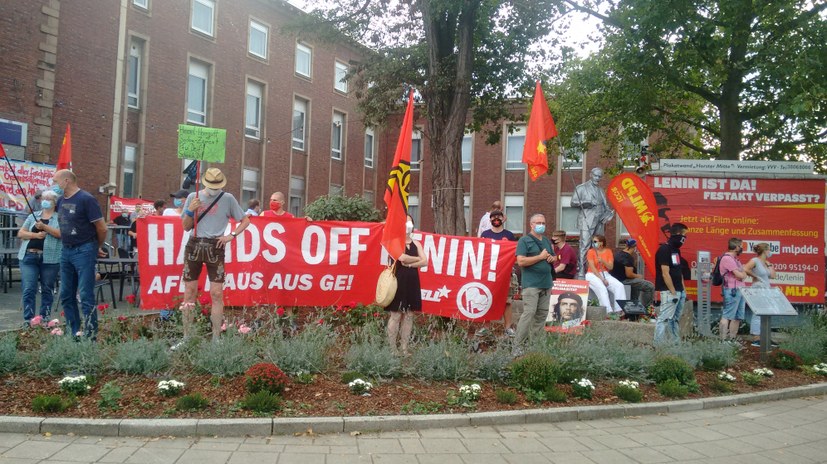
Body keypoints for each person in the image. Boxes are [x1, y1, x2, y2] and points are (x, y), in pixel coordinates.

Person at [179, 168, 251, 342]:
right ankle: (187, 336)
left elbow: (245, 220)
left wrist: (230, 236)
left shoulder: (227, 198)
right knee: (189, 292)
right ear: (205, 182)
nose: (214, 188)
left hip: (215, 246)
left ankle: (216, 338)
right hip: (194, 244)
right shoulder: (192, 197)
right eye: (212, 185)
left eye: (217, 185)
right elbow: (186, 226)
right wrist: (190, 210)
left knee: (217, 293)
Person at [52, 169, 108, 339]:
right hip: (66, 250)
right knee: (67, 294)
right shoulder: (61, 201)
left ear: (66, 180)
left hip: (84, 249)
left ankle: (90, 335)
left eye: (56, 181)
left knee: (85, 294)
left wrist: (95, 246)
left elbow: (102, 227)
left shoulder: (86, 199)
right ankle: (73, 331)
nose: (54, 185)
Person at [17, 190, 62, 326]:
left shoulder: (59, 218)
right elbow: (21, 233)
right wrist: (35, 235)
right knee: (29, 287)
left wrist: (45, 227)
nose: (45, 200)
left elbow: (61, 234)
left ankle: (45, 318)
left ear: (55, 202)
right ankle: (28, 319)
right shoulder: (33, 216)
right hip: (29, 256)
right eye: (43, 198)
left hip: (50, 259)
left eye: (48, 198)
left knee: (47, 288)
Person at [386, 214, 428, 355]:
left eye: (409, 222)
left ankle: (404, 348)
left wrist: (411, 264)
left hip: (412, 281)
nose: (407, 225)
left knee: (409, 315)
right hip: (397, 281)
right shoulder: (395, 241)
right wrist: (417, 259)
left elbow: (425, 261)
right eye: (404, 222)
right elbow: (402, 258)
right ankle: (392, 349)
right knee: (396, 315)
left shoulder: (417, 244)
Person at [514, 213, 556, 354]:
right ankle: (518, 346)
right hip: (531, 284)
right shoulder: (524, 241)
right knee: (529, 313)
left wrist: (551, 258)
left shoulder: (545, 241)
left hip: (546, 283)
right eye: (538, 223)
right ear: (531, 225)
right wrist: (540, 257)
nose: (541, 225)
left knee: (542, 315)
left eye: (543, 223)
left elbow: (551, 256)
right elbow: (521, 261)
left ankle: (534, 346)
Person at [571, 167, 615, 277]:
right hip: (587, 220)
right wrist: (587, 202)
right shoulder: (581, 188)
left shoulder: (601, 190)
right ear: (591, 174)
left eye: (600, 176)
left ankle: (596, 269)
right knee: (584, 245)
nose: (597, 178)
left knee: (598, 246)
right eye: (596, 175)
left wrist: (609, 212)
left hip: (599, 221)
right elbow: (573, 202)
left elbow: (605, 205)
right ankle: (581, 270)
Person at [480, 210, 517, 336]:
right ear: (490, 220)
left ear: (503, 218)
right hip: (489, 272)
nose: (496, 219)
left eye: (499, 216)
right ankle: (486, 327)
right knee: (487, 298)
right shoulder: (485, 234)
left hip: (506, 273)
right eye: (493, 217)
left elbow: (514, 254)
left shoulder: (510, 235)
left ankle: (507, 328)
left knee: (507, 301)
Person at [654, 223, 688, 345]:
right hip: (669, 291)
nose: (685, 238)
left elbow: (678, 271)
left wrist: (683, 290)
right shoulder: (664, 249)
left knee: (675, 319)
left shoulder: (676, 250)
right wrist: (673, 291)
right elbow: (665, 273)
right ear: (678, 234)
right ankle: (658, 346)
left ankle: (675, 344)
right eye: (684, 235)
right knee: (664, 319)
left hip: (680, 291)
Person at [744, 242, 777, 347]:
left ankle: (765, 337)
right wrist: (755, 276)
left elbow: (772, 276)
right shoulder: (755, 261)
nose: (770, 252)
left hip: (766, 289)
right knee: (758, 313)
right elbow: (745, 269)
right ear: (764, 250)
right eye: (769, 250)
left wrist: (770, 264)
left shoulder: (766, 262)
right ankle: (756, 337)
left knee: (767, 312)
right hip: (757, 289)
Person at [584, 234, 624, 313]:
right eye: (593, 241)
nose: (593, 243)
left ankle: (619, 310)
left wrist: (603, 261)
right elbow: (593, 268)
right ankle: (607, 311)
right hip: (592, 274)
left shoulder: (608, 251)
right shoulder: (591, 252)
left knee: (619, 286)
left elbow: (610, 267)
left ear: (601, 243)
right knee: (602, 288)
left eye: (595, 241)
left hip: (605, 273)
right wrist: (602, 279)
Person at [610, 238, 654, 308]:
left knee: (636, 285)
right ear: (634, 247)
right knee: (649, 286)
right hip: (624, 280)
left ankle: (634, 308)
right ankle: (647, 308)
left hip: (615, 278)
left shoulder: (618, 254)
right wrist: (638, 276)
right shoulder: (628, 257)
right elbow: (629, 274)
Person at [719, 237, 748, 342]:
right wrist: (742, 274)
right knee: (727, 315)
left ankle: (732, 339)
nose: (742, 248)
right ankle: (722, 340)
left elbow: (743, 274)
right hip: (732, 290)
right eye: (741, 246)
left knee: (737, 317)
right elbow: (740, 274)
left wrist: (742, 274)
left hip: (740, 289)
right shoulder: (727, 258)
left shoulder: (736, 259)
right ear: (736, 247)